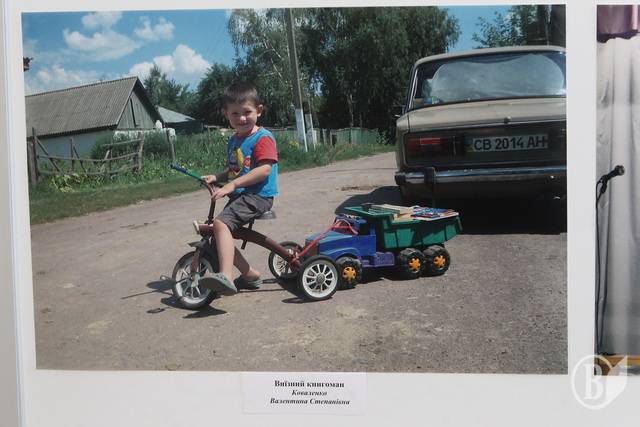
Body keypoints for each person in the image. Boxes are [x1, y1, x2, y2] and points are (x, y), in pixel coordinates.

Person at [201, 82, 278, 295]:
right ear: (226, 114)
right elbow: (236, 169)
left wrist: (232, 185)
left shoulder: (262, 138)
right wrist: (218, 177)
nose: (242, 118)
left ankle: (226, 276)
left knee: (220, 224)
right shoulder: (234, 140)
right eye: (235, 113)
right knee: (219, 233)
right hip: (242, 196)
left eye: (247, 112)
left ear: (259, 111)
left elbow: (264, 170)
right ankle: (250, 274)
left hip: (258, 196)